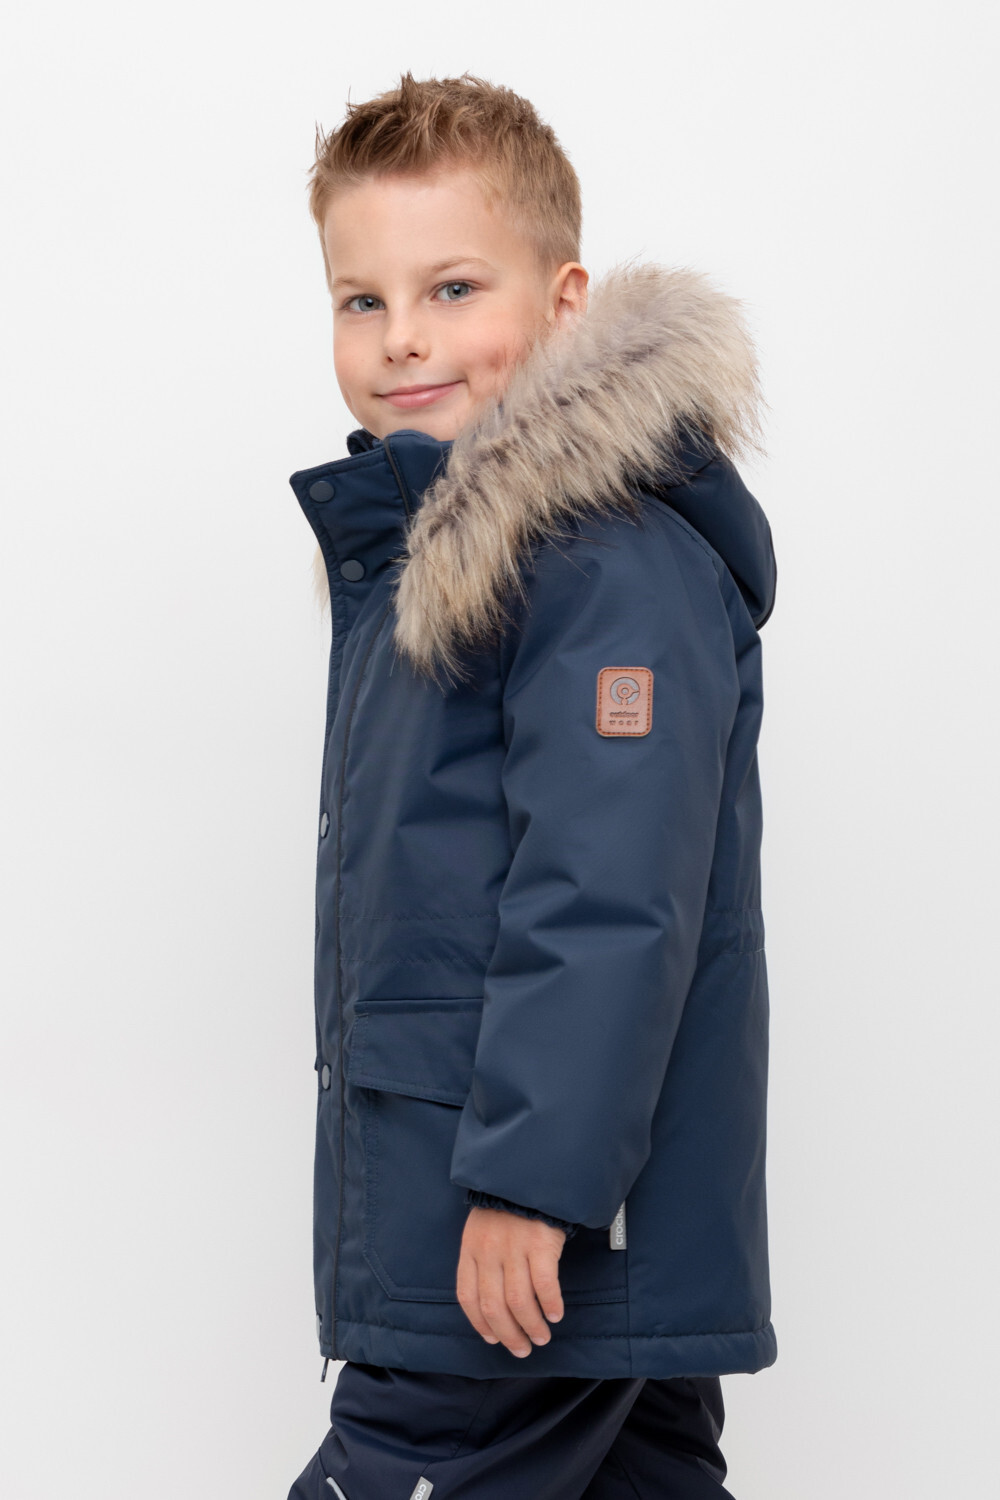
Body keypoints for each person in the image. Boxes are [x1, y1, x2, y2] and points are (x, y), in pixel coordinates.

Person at [285, 70, 777, 1500]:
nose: (402, 337)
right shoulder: (461, 557)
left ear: (566, 305)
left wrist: (533, 1181)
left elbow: (609, 893)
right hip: (547, 1224)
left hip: (518, 1227)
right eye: (362, 299)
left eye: (452, 288)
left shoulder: (601, 563)